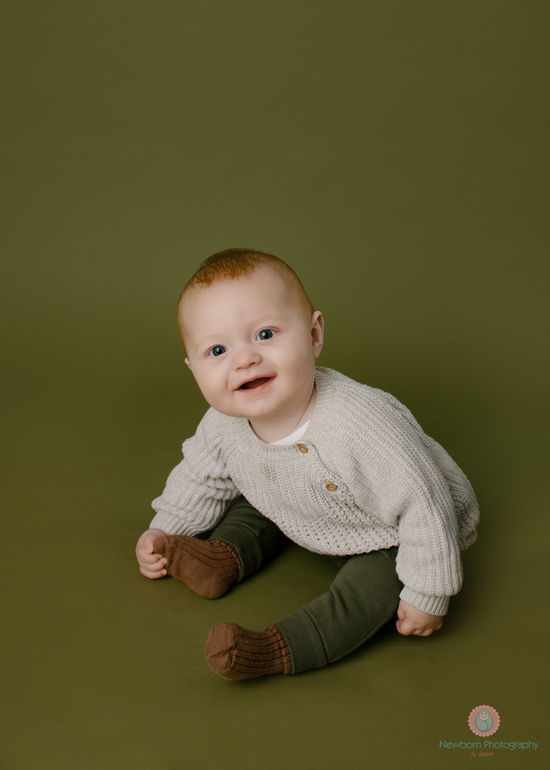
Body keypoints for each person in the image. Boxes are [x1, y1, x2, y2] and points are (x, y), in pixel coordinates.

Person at [135, 248, 479, 680]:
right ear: (194, 370)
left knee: (370, 589)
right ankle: (221, 557)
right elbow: (200, 476)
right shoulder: (223, 424)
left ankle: (280, 647)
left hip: (387, 531)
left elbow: (425, 503)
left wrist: (428, 591)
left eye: (265, 335)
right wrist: (165, 527)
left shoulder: (359, 425)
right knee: (251, 498)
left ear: (314, 335)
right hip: (301, 507)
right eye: (218, 350)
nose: (244, 360)